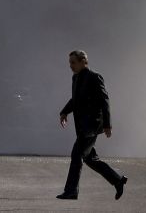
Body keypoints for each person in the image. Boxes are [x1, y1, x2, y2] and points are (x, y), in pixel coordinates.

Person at [57, 49, 127, 200]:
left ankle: (71, 191)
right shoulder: (75, 78)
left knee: (77, 155)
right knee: (90, 159)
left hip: (91, 126)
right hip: (81, 125)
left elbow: (105, 101)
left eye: (73, 62)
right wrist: (64, 112)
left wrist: (108, 124)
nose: (70, 65)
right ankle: (118, 179)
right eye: (69, 63)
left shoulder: (95, 77)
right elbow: (75, 99)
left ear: (83, 61)